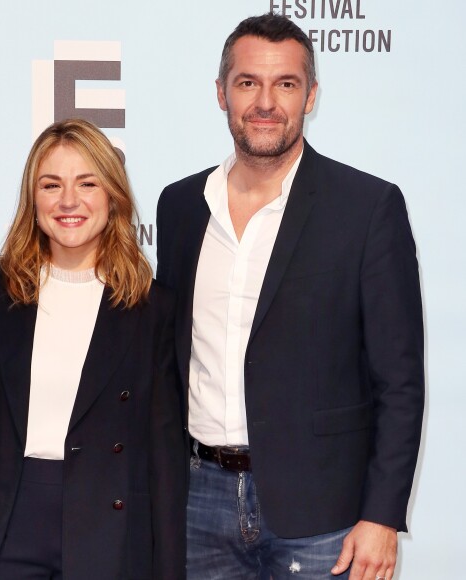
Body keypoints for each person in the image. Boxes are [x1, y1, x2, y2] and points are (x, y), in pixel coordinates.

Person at [156, 13, 424, 580]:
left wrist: (381, 516)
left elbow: (399, 381)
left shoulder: (367, 208)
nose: (265, 103)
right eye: (248, 82)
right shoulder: (179, 206)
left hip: (325, 508)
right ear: (221, 93)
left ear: (311, 96)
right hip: (197, 501)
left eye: (286, 84)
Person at [0, 118, 187, 580]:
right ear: (34, 200)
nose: (69, 201)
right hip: (6, 523)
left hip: (113, 531)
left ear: (112, 196)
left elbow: (166, 452)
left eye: (87, 183)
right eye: (52, 185)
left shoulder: (152, 308)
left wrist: (168, 567)